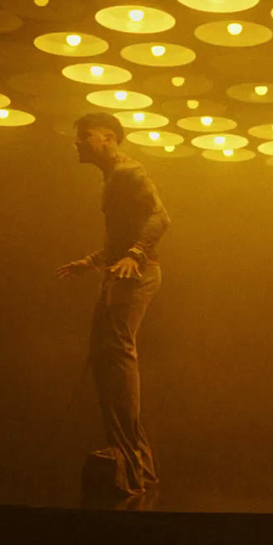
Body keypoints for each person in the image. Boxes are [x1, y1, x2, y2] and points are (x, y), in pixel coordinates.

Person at [55, 112, 170, 498]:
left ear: (109, 138)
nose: (77, 144)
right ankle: (136, 460)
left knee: (117, 356)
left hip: (135, 275)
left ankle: (129, 460)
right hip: (120, 272)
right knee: (105, 357)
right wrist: (90, 262)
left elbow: (160, 216)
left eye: (84, 137)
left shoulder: (128, 171)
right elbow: (119, 234)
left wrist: (135, 255)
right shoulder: (114, 176)